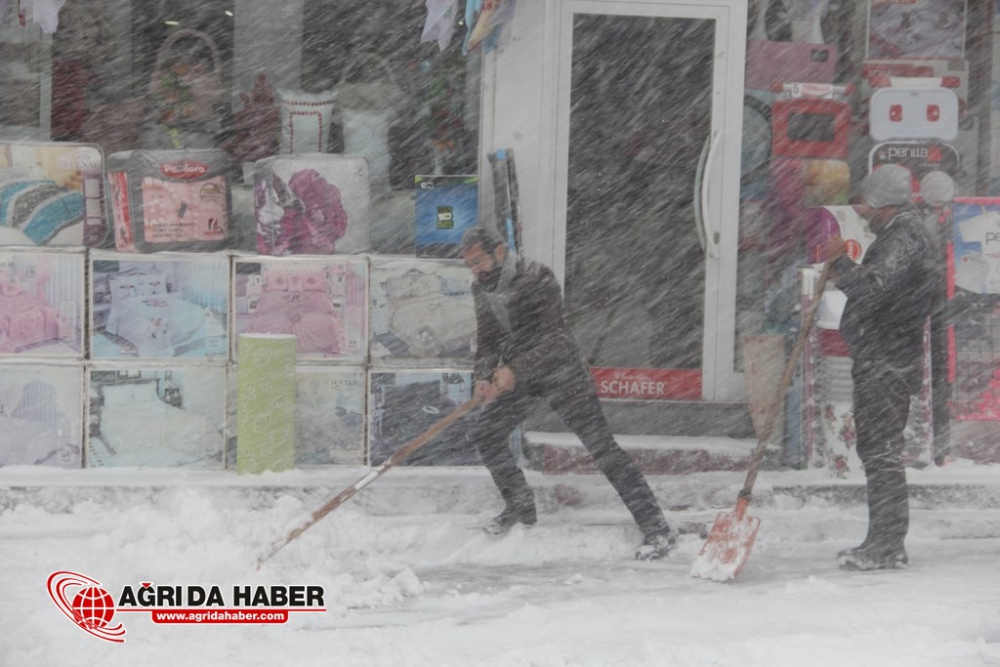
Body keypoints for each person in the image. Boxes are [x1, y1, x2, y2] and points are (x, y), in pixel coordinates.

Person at [460, 226, 675, 560]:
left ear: (500, 252)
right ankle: (519, 506)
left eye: (478, 261)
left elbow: (554, 339)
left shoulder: (536, 278)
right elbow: (488, 337)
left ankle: (656, 528)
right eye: (469, 265)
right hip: (523, 379)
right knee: (486, 432)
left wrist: (514, 369)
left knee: (602, 449)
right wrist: (483, 377)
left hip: (561, 373)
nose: (475, 270)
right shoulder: (481, 288)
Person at [824, 164, 936, 570]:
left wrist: (841, 265)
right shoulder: (901, 235)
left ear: (882, 203)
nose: (862, 209)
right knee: (877, 449)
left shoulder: (903, 238)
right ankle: (880, 541)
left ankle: (887, 545)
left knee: (882, 451)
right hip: (884, 355)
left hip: (886, 361)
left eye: (866, 202)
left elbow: (873, 291)